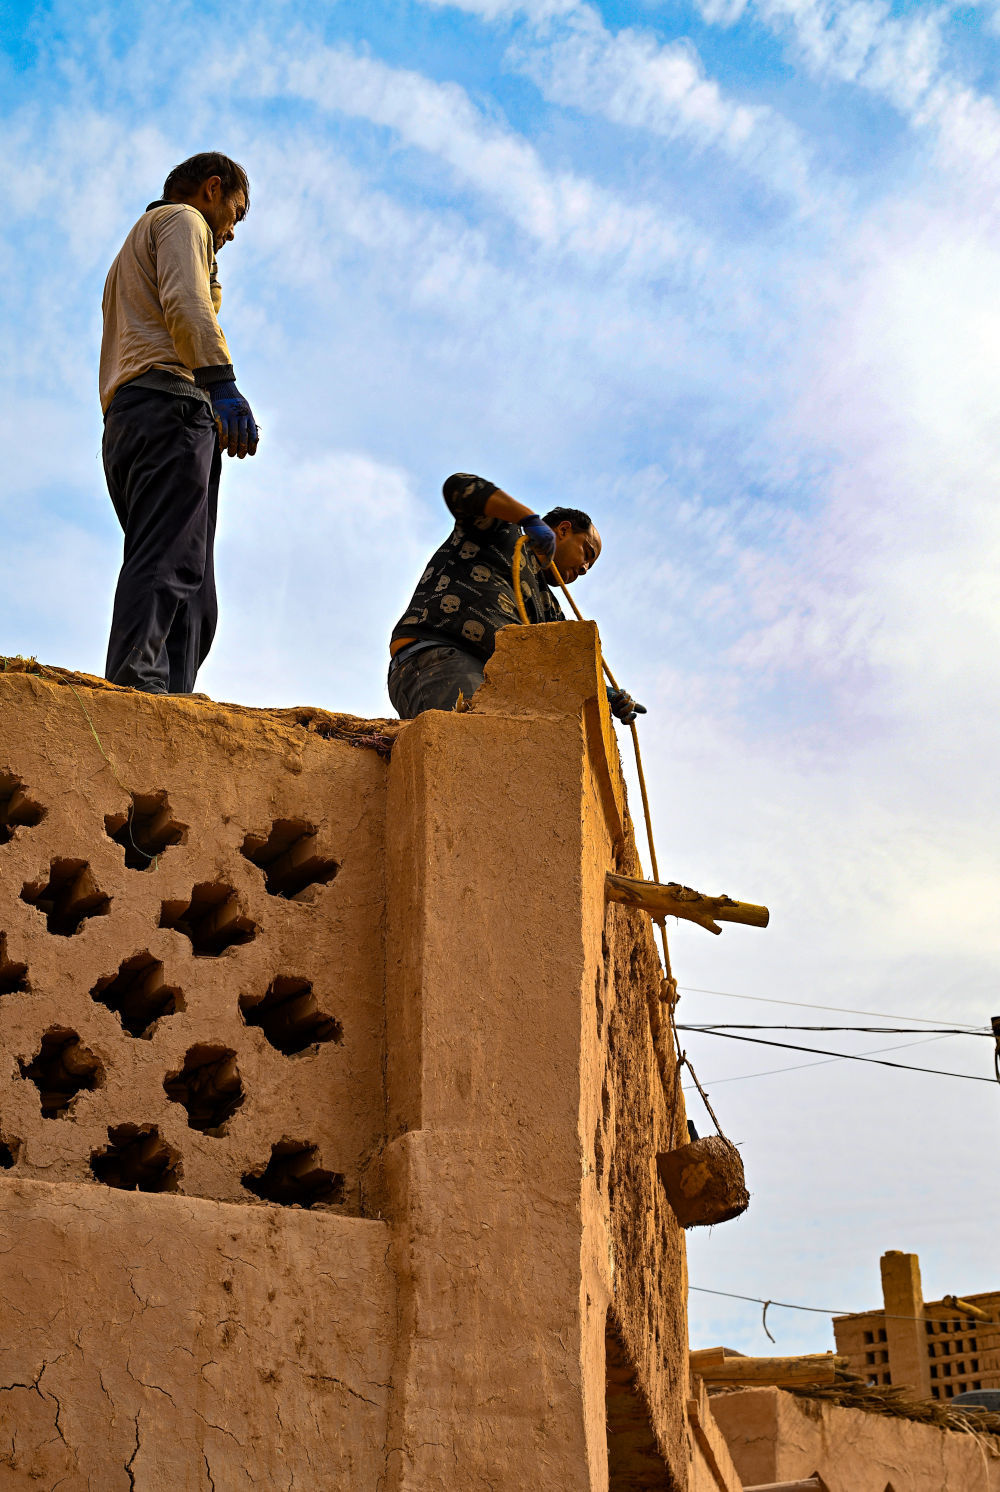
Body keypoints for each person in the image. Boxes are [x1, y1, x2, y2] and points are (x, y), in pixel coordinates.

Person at [99, 151, 259, 695]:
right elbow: (186, 304)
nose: (232, 232)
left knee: (192, 587)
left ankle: (169, 692)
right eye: (235, 214)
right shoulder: (181, 221)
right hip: (169, 408)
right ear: (211, 189)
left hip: (132, 418)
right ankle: (138, 687)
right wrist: (222, 384)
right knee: (170, 561)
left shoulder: (131, 249)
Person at [388, 472, 645, 723]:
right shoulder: (502, 531)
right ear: (564, 530)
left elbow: (567, 664)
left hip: (489, 682)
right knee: (474, 751)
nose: (585, 569)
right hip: (440, 656)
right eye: (586, 553)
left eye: (590, 566)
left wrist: (604, 694)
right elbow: (460, 486)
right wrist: (528, 519)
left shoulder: (549, 609)